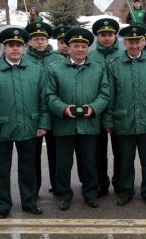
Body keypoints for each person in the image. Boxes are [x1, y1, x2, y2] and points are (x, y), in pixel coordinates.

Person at [0, 27, 50, 218]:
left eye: (18, 45)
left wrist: (42, 124)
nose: (15, 48)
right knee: (1, 169)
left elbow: (44, 100)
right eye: (10, 45)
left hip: (29, 127)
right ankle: (3, 205)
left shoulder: (37, 71)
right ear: (4, 48)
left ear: (23, 48)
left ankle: (29, 201)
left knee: (29, 167)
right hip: (0, 128)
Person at [46, 28, 110, 211]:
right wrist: (62, 109)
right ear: (68, 47)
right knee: (63, 164)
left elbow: (105, 93)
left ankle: (90, 193)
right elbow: (49, 95)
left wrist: (94, 108)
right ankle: (64, 195)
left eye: (83, 46)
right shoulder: (55, 69)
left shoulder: (98, 68)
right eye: (76, 46)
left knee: (89, 162)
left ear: (88, 48)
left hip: (89, 125)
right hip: (63, 125)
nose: (80, 49)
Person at [103, 23, 146, 206]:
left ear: (144, 42)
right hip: (124, 120)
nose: (134, 45)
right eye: (130, 41)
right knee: (125, 160)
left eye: (138, 41)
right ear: (125, 42)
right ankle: (125, 190)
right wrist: (108, 119)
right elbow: (109, 94)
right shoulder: (114, 65)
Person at [24, 21, 64, 196]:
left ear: (48, 41)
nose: (40, 42)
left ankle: (58, 186)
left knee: (57, 154)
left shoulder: (59, 59)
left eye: (43, 38)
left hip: (56, 115)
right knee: (32, 156)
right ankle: (33, 189)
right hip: (34, 114)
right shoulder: (23, 59)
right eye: (36, 39)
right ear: (29, 41)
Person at [88, 18, 123, 196]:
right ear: (97, 37)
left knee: (120, 152)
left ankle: (119, 182)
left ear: (115, 36)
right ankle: (101, 183)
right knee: (98, 153)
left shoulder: (123, 54)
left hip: (119, 111)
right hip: (96, 112)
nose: (107, 38)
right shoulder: (90, 56)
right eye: (103, 35)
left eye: (110, 34)